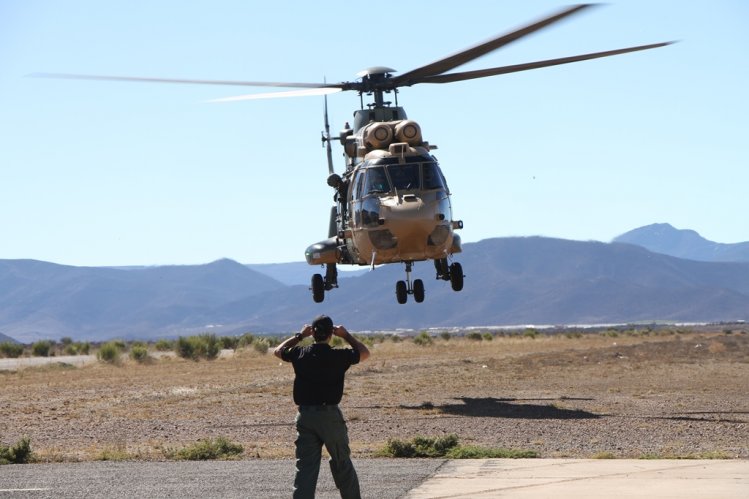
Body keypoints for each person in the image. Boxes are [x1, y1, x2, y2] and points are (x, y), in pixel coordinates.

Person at [274, 315, 370, 499]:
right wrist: (346, 335)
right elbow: (364, 353)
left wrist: (299, 336)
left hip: (305, 415)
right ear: (330, 334)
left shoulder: (300, 353)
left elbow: (279, 350)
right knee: (341, 462)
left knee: (306, 467)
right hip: (329, 416)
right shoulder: (339, 355)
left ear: (313, 333)